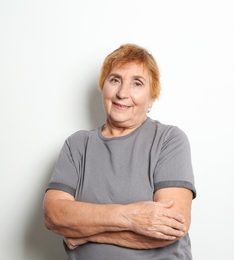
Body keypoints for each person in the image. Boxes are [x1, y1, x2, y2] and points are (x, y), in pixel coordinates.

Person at [43, 43, 197, 259]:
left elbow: (171, 228)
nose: (122, 93)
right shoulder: (77, 145)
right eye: (115, 80)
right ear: (103, 87)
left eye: (137, 83)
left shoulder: (168, 140)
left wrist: (87, 234)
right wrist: (130, 216)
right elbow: (54, 215)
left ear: (151, 98)